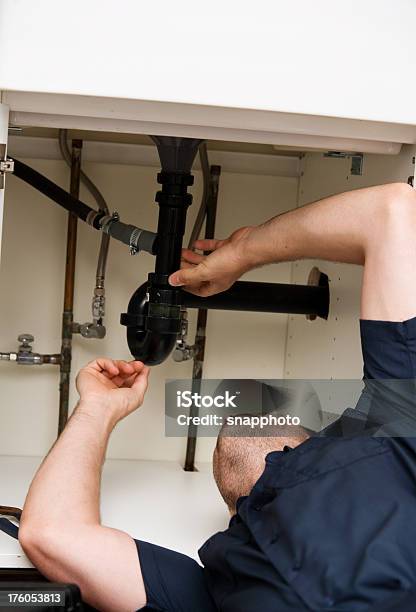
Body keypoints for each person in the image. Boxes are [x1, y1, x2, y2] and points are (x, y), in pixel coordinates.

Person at [19, 182, 416, 611]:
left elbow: (50, 534)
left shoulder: (217, 587)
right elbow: (392, 211)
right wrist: (243, 252)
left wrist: (97, 408)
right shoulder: (398, 436)